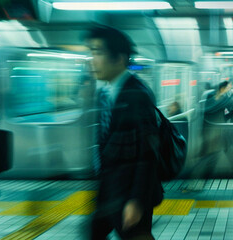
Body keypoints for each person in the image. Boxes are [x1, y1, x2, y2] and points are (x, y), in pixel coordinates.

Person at [86, 26, 162, 240]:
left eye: (98, 52)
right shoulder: (104, 92)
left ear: (119, 58)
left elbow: (147, 154)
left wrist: (136, 200)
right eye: (91, 52)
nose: (92, 59)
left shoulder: (138, 94)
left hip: (129, 193)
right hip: (108, 188)